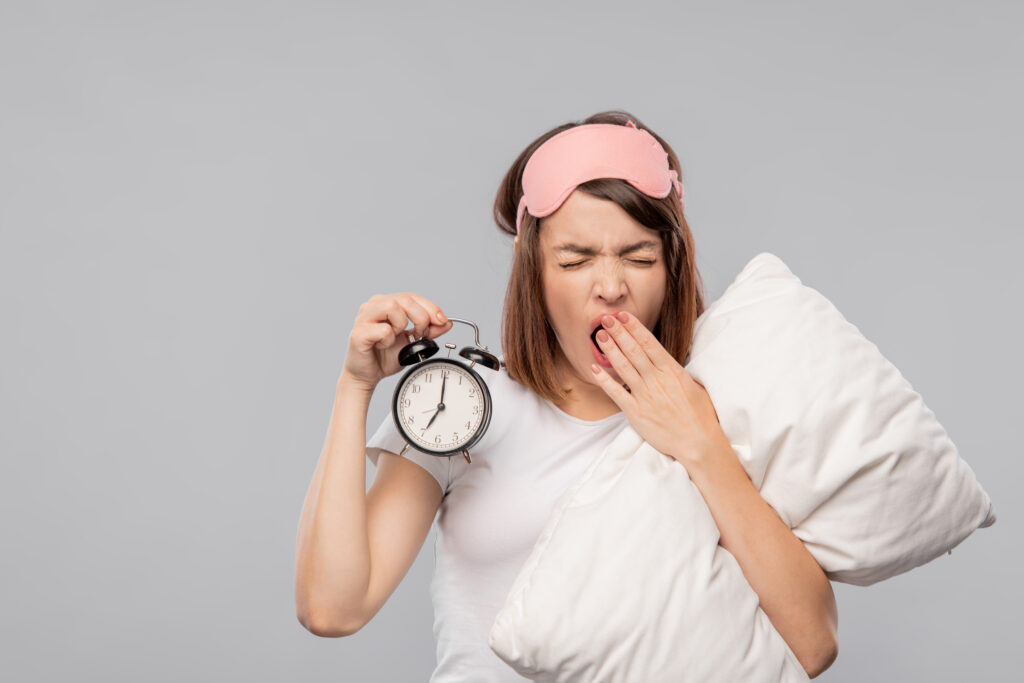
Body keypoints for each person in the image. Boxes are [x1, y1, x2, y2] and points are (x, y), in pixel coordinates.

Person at [294, 110, 839, 680]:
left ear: (673, 267)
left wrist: (699, 442)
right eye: (575, 260)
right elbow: (332, 608)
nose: (611, 287)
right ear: (533, 272)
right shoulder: (463, 406)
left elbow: (813, 643)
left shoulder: (723, 407)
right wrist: (354, 387)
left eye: (640, 257)